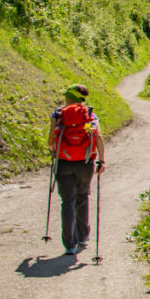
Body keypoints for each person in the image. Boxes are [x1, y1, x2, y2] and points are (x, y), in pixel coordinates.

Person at [47, 84, 106, 256]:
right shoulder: (90, 115)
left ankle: (70, 245)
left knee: (68, 202)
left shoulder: (58, 115)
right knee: (82, 196)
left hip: (63, 163)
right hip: (85, 163)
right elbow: (98, 137)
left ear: (69, 97)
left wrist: (57, 152)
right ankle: (83, 236)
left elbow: (51, 142)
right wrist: (102, 160)